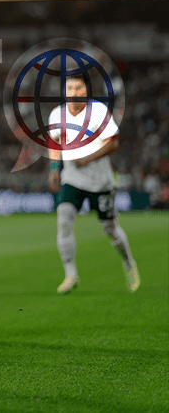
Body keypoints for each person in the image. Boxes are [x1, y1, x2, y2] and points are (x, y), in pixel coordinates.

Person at [47, 73, 139, 294]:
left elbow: (114, 143)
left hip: (100, 181)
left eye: (79, 88)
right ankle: (70, 274)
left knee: (110, 228)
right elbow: (54, 141)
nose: (74, 92)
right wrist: (53, 169)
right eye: (70, 88)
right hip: (72, 178)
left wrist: (88, 158)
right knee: (63, 219)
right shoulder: (57, 114)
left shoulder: (98, 112)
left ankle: (129, 263)